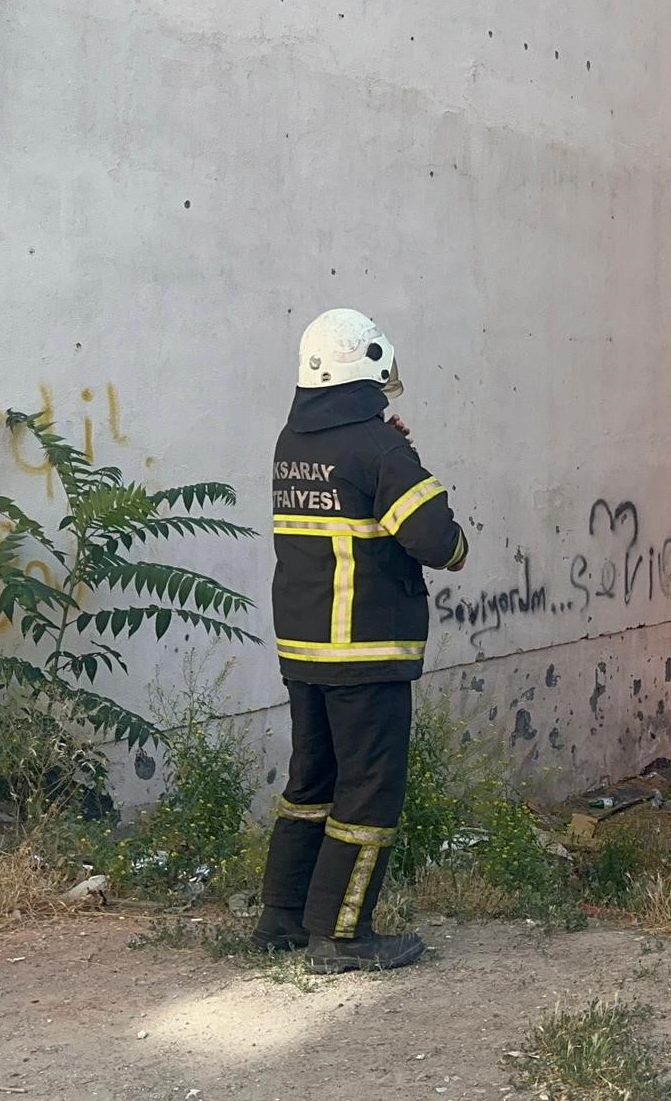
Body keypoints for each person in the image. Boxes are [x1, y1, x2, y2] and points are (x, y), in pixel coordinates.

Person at [251, 308, 468, 973]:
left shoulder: (294, 441)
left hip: (306, 649)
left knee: (310, 783)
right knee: (367, 793)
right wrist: (403, 456)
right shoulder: (379, 449)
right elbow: (443, 544)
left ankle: (282, 919)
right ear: (369, 367)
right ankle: (344, 935)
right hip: (366, 651)